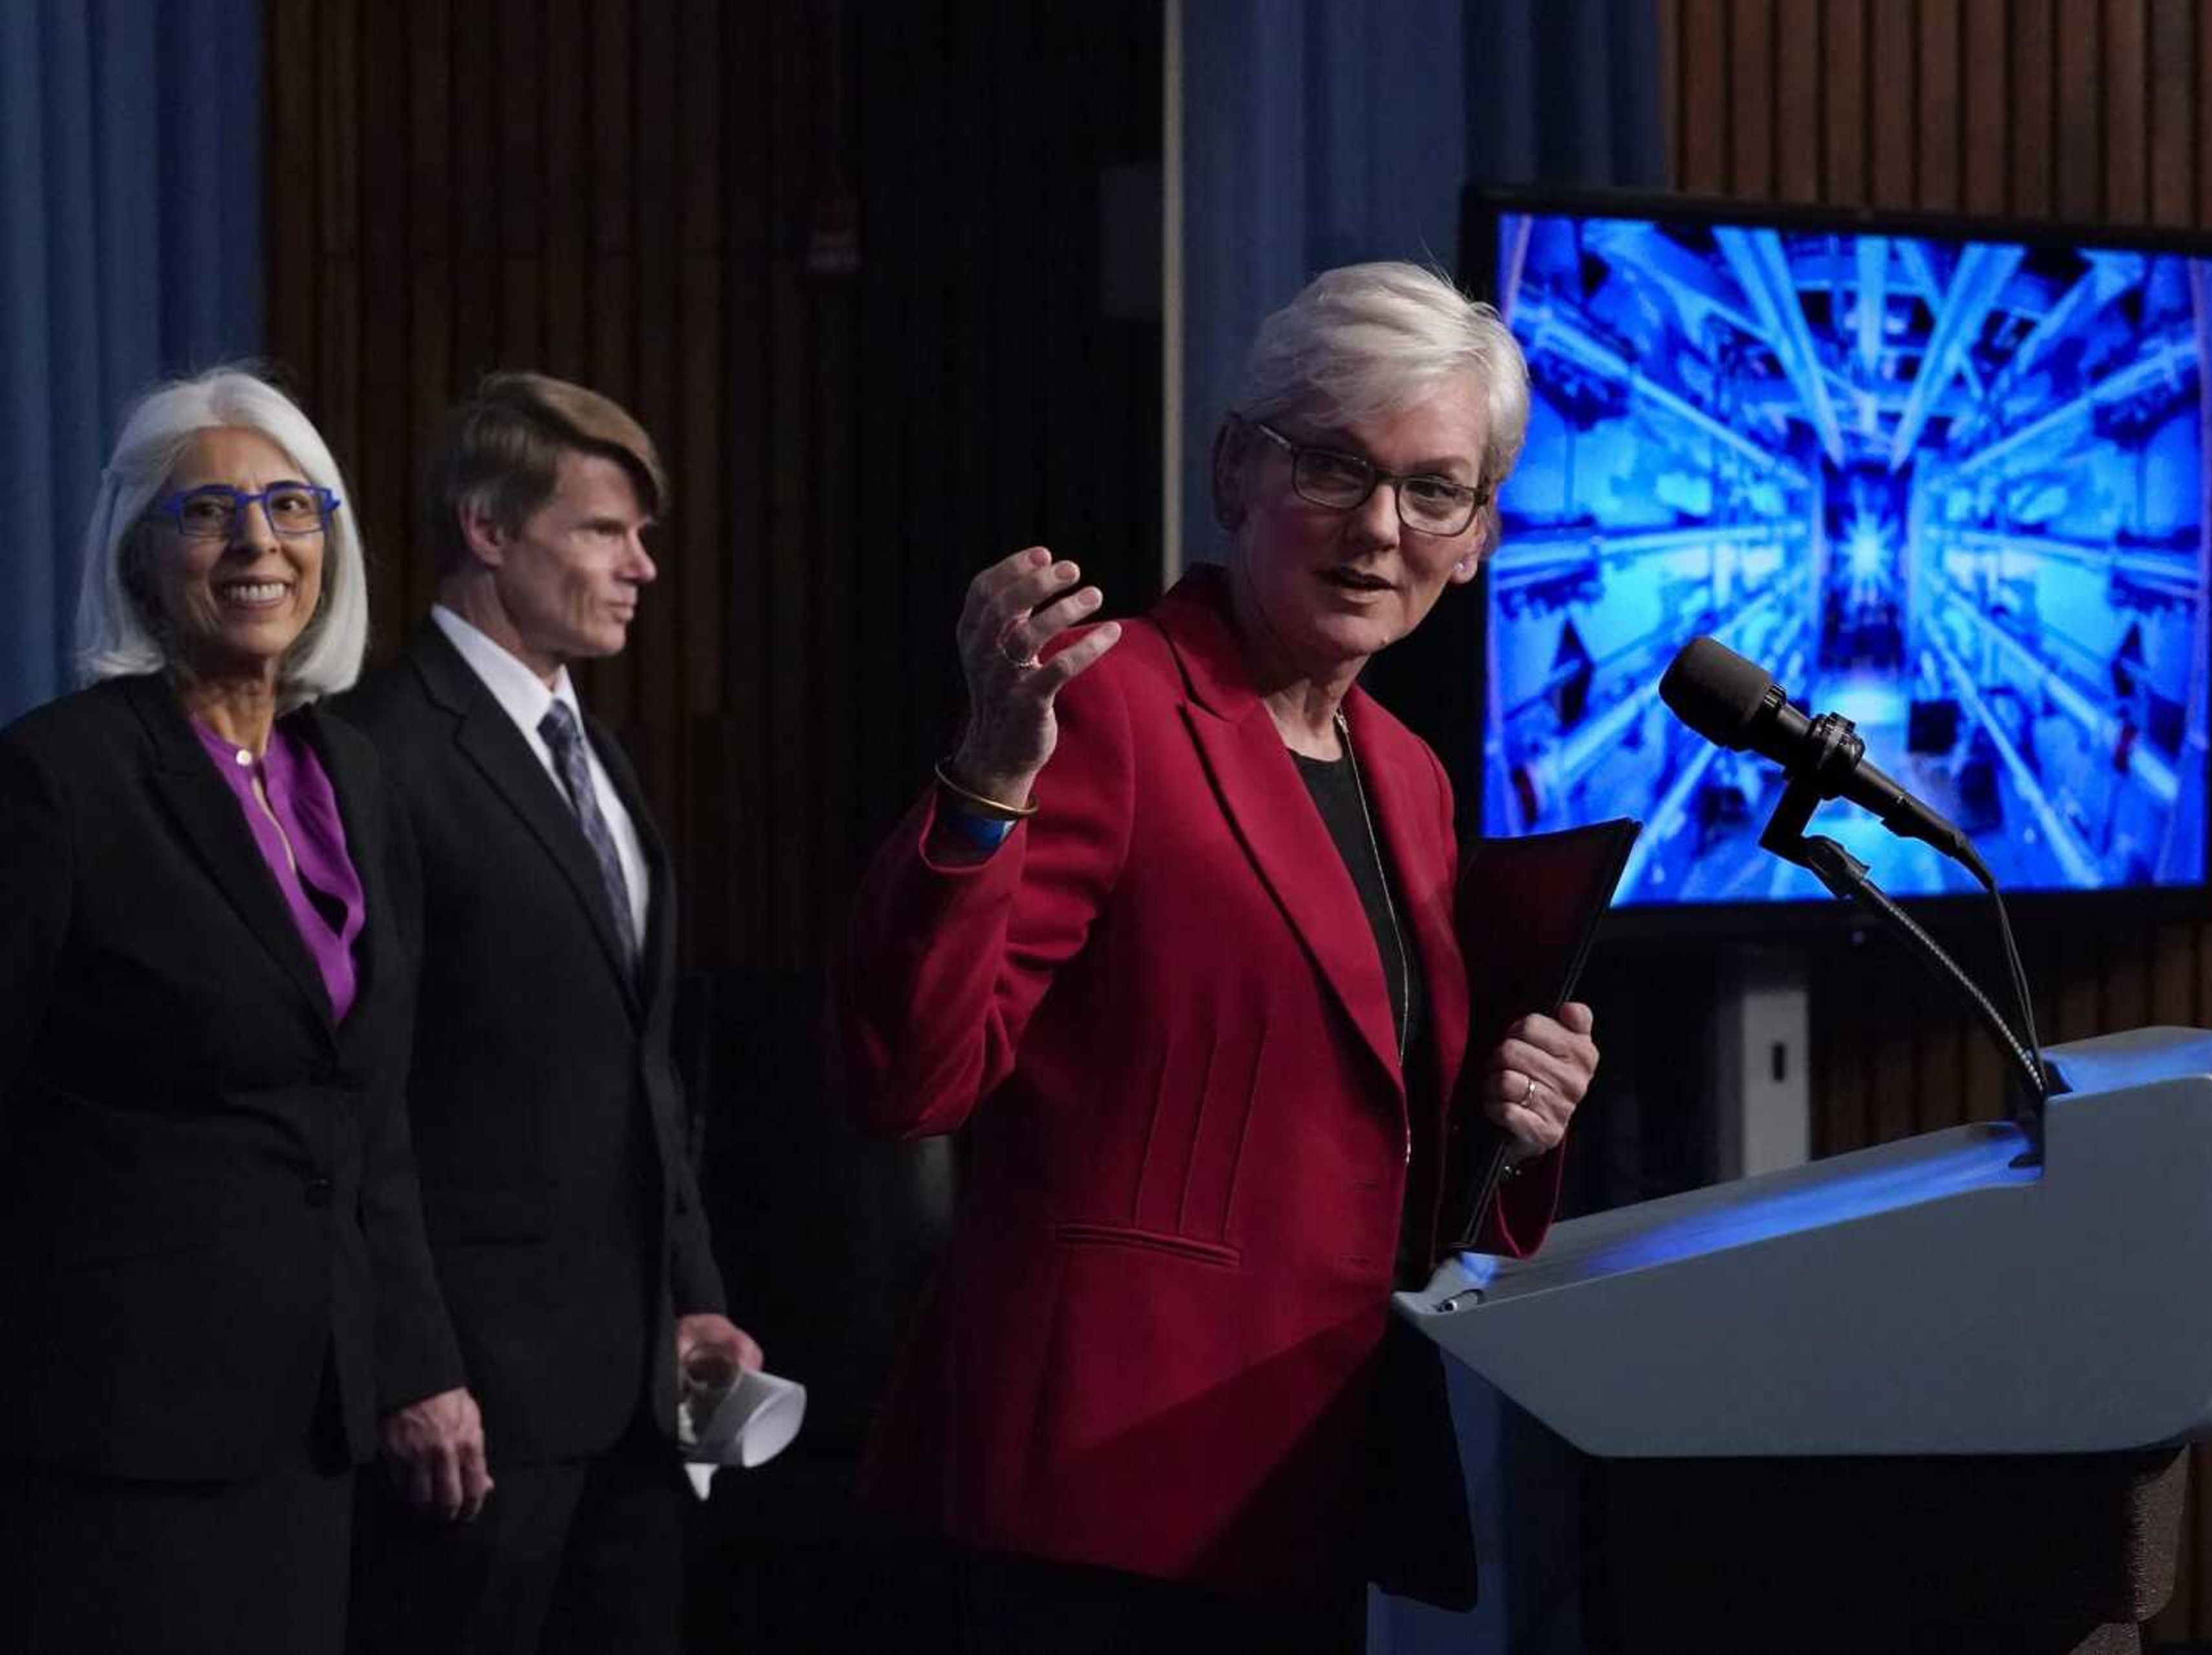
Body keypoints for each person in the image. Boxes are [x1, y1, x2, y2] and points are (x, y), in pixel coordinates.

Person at [843, 262, 1601, 1650]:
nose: (1379, 529)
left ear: (1481, 534)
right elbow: (913, 1075)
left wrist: (1512, 1114)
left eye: (1433, 489)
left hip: (1302, 1485)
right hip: (1093, 1505)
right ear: (1235, 470)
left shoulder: (1411, 778)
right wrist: (987, 777)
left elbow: (1362, 1144)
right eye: (1333, 468)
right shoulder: (1113, 700)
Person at [0, 368, 469, 1652]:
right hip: (109, 1428)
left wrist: (419, 1357)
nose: (259, 543)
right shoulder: (60, 781)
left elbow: (370, 1113)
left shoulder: (359, 779)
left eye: (289, 505)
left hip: (311, 1419)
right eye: (209, 512)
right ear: (141, 559)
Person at [337, 372, 761, 1655]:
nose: (639, 568)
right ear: (484, 528)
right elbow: (368, 1100)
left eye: (642, 538)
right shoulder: (378, 753)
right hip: (473, 1415)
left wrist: (691, 1292)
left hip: (634, 1400)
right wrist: (413, 1364)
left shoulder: (603, 755)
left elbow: (640, 1067)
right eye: (601, 531)